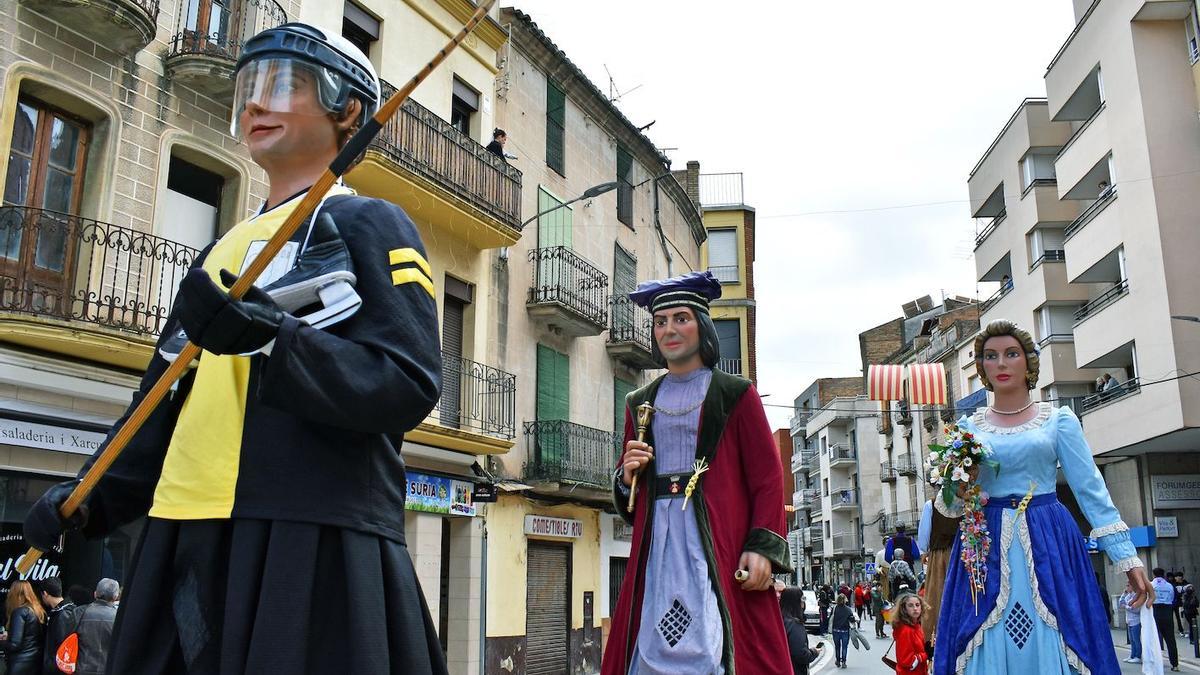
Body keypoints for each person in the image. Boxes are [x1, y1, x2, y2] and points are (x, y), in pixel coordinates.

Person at [22, 22, 445, 674]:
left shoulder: (371, 223)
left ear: (351, 111)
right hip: (180, 536)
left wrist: (272, 343)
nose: (253, 103)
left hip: (303, 539)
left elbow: (407, 380)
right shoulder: (216, 250)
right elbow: (159, 402)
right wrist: (87, 498)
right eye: (248, 87)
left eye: (280, 85)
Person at [934, 320, 1153, 675]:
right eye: (991, 356)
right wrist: (957, 488)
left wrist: (1127, 558)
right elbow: (951, 504)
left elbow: (1091, 490)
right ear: (982, 368)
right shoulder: (968, 428)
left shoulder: (1058, 421)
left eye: (1011, 354)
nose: (1001, 364)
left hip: (1049, 538)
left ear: (1028, 362)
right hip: (983, 542)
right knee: (984, 630)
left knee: (1057, 626)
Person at [603, 271, 792, 675]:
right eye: (660, 321)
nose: (669, 329)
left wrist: (761, 548)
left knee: (719, 638)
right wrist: (626, 474)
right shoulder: (640, 401)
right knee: (648, 635)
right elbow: (630, 496)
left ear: (702, 326)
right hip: (657, 544)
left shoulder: (735, 393)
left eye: (681, 318)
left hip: (715, 540)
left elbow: (768, 478)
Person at [1, 580, 46, 675]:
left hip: (19, 664)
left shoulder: (19, 612)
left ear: (14, 594)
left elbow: (14, 644)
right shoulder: (38, 611)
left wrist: (3, 642)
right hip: (35, 663)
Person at [75, 579, 119, 675]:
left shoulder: (79, 612)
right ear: (115, 597)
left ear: (95, 594)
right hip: (108, 670)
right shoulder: (120, 617)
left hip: (81, 669)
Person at [780, 587, 822, 675]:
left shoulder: (777, 620)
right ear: (797, 602)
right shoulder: (795, 625)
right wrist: (813, 652)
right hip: (795, 670)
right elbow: (800, 654)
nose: (804, 603)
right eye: (803, 599)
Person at [40, 576, 77, 675]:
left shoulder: (62, 614)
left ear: (45, 594)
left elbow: (61, 645)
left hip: (57, 668)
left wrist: (50, 666)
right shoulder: (67, 610)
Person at [892, 591, 929, 675]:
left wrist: (926, 647)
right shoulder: (906, 630)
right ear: (904, 609)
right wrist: (925, 654)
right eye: (910, 605)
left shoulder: (916, 626)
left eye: (917, 605)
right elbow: (907, 661)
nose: (915, 608)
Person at [1153, 567, 1181, 671]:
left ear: (1154, 575)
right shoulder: (1169, 586)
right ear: (1163, 574)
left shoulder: (1152, 584)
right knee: (1170, 639)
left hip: (1156, 610)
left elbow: (1149, 597)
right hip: (1167, 610)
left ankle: (1156, 662)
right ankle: (1175, 664)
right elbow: (1172, 598)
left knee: (1155, 638)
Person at [829, 594, 857, 669]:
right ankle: (844, 662)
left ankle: (838, 661)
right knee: (845, 647)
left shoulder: (835, 608)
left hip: (835, 630)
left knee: (837, 647)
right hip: (845, 630)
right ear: (845, 600)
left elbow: (831, 618)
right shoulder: (848, 609)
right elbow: (852, 620)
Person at [1119, 581, 1143, 664]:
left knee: (1136, 639)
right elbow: (1121, 602)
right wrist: (1124, 593)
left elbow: (1136, 609)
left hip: (1136, 621)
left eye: (1128, 586)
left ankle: (1138, 656)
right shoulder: (1128, 595)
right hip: (1129, 620)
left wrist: (1126, 606)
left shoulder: (1137, 596)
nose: (1127, 587)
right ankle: (1132, 655)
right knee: (1131, 640)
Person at [1175, 572, 1189, 637]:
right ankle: (1181, 630)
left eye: (1176, 576)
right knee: (1179, 618)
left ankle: (1187, 630)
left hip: (1186, 604)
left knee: (1186, 618)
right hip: (1179, 604)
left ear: (1180, 577)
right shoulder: (1175, 585)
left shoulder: (1187, 584)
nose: (1175, 578)